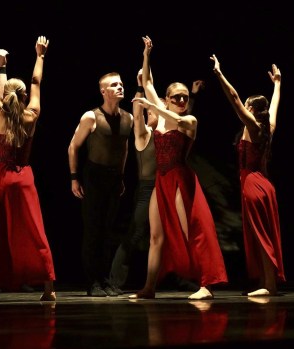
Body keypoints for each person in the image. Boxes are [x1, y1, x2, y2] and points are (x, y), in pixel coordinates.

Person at [129, 36, 228, 300]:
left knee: (192, 230)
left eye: (185, 97)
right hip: (162, 179)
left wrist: (154, 107)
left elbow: (170, 116)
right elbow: (148, 82)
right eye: (177, 97)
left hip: (181, 178)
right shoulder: (161, 114)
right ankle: (149, 287)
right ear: (168, 98)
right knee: (155, 236)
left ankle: (206, 285)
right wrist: (147, 54)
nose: (182, 100)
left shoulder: (189, 120)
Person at [0, 32, 55, 302]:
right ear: (22, 97)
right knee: (35, 228)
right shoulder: (31, 115)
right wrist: (40, 56)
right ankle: (48, 288)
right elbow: (36, 81)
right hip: (24, 175)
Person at [109, 70, 201, 292]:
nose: (158, 114)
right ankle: (117, 281)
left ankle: (186, 277)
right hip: (148, 188)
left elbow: (182, 120)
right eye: (156, 110)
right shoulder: (144, 133)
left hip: (168, 182)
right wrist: (141, 87)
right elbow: (140, 112)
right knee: (139, 233)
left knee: (176, 232)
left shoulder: (167, 128)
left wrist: (192, 96)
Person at [210, 54, 285, 296]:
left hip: (253, 183)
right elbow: (274, 105)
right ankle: (267, 282)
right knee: (262, 233)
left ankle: (269, 285)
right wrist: (277, 84)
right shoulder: (268, 125)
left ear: (251, 108)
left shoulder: (252, 124)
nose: (243, 105)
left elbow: (233, 98)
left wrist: (219, 74)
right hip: (265, 185)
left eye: (246, 104)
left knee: (261, 234)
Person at [68, 70, 134, 297]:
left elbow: (124, 148)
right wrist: (74, 177)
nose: (120, 87)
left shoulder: (128, 118)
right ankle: (93, 282)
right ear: (103, 91)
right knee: (93, 230)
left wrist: (122, 176)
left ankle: (106, 280)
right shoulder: (91, 117)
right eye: (114, 85)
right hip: (94, 176)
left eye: (121, 83)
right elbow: (73, 147)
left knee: (109, 230)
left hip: (114, 178)